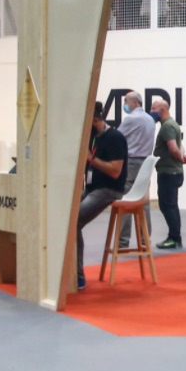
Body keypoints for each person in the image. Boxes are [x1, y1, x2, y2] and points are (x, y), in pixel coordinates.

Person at [76, 101, 129, 289]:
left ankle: (77, 276)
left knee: (73, 222)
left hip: (108, 189)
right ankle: (70, 272)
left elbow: (115, 171)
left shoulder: (115, 138)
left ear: (95, 120)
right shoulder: (92, 136)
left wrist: (91, 159)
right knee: (66, 219)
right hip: (91, 188)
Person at [150, 98, 186, 249]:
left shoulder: (167, 127)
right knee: (171, 205)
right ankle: (174, 236)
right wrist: (182, 158)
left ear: (162, 110)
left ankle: (174, 238)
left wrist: (181, 159)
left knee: (167, 205)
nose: (151, 111)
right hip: (173, 171)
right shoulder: (172, 124)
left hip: (169, 172)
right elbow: (181, 147)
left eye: (153, 108)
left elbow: (174, 148)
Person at [117, 91, 156, 247]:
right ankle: (144, 239)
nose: (125, 104)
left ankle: (123, 240)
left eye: (126, 101)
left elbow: (117, 138)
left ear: (134, 102)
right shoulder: (150, 120)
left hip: (131, 163)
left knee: (126, 200)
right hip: (146, 163)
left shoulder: (130, 119)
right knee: (143, 202)